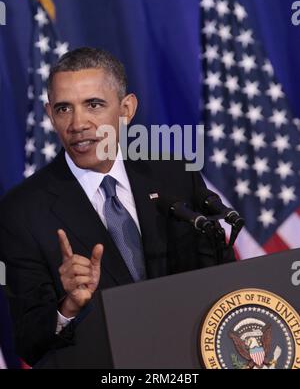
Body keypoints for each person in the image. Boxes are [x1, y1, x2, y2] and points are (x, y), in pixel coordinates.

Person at [0, 47, 235, 366]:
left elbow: (212, 282)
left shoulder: (173, 174)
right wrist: (67, 306)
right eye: (63, 109)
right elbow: (28, 341)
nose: (78, 123)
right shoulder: (22, 211)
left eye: (93, 105)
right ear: (49, 114)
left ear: (126, 109)